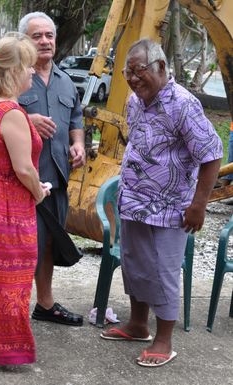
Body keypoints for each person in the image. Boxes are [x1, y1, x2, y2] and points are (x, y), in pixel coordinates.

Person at [100, 38, 223, 367]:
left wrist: (199, 205)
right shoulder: (135, 99)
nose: (134, 80)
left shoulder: (183, 104)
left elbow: (212, 155)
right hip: (135, 203)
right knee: (135, 266)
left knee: (162, 272)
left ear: (162, 68)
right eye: (129, 73)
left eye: (140, 72)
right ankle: (138, 325)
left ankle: (164, 341)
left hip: (171, 209)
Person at [0, 33, 51, 365]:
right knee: (13, 273)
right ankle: (6, 346)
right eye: (29, 66)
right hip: (8, 201)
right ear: (14, 70)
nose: (33, 72)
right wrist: (38, 193)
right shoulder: (12, 112)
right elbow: (25, 170)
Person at [17, 12, 86, 325]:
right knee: (19, 249)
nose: (45, 41)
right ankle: (8, 313)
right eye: (37, 36)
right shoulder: (13, 77)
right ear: (24, 41)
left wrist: (78, 144)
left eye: (49, 35)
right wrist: (26, 121)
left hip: (56, 181)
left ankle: (44, 305)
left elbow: (76, 119)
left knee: (46, 247)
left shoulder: (66, 81)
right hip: (21, 183)